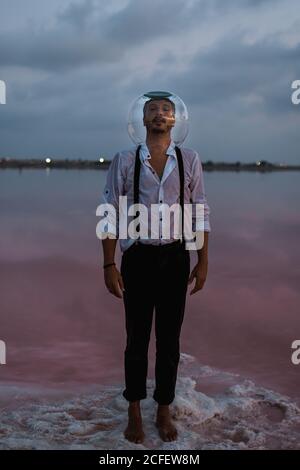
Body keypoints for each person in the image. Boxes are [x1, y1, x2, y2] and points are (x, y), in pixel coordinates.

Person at [100, 93, 211, 444]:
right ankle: (134, 409)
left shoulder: (189, 159)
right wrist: (108, 263)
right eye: (153, 110)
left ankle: (163, 408)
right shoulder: (124, 160)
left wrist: (203, 260)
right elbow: (110, 211)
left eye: (166, 110)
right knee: (136, 339)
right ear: (144, 120)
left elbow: (199, 210)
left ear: (175, 121)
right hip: (138, 259)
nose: (160, 114)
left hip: (176, 259)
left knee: (169, 340)